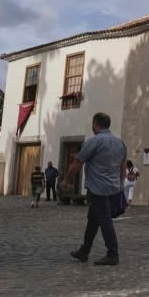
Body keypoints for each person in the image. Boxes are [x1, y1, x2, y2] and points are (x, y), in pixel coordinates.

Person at [60, 112, 127, 266]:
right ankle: (84, 251)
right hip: (113, 188)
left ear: (96, 124)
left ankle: (113, 253)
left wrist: (66, 181)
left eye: (93, 123)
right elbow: (123, 168)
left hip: (98, 189)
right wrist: (120, 186)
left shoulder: (94, 142)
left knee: (105, 220)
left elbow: (77, 163)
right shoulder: (120, 143)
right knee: (93, 220)